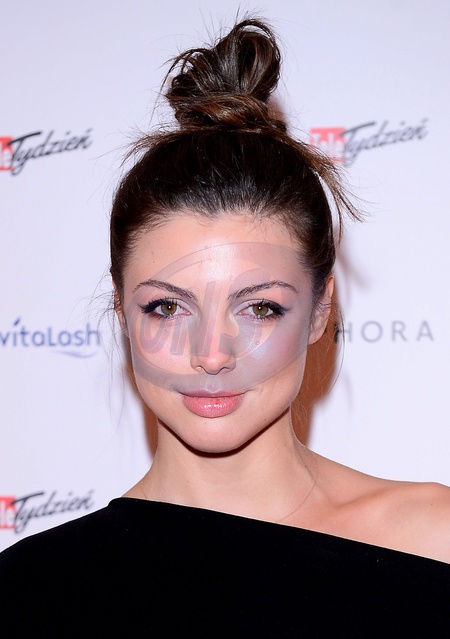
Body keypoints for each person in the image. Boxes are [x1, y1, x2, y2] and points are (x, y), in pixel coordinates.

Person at [1, 18, 449, 637]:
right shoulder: (32, 591)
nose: (211, 355)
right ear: (121, 308)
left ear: (321, 309)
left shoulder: (433, 542)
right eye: (167, 307)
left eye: (259, 307)